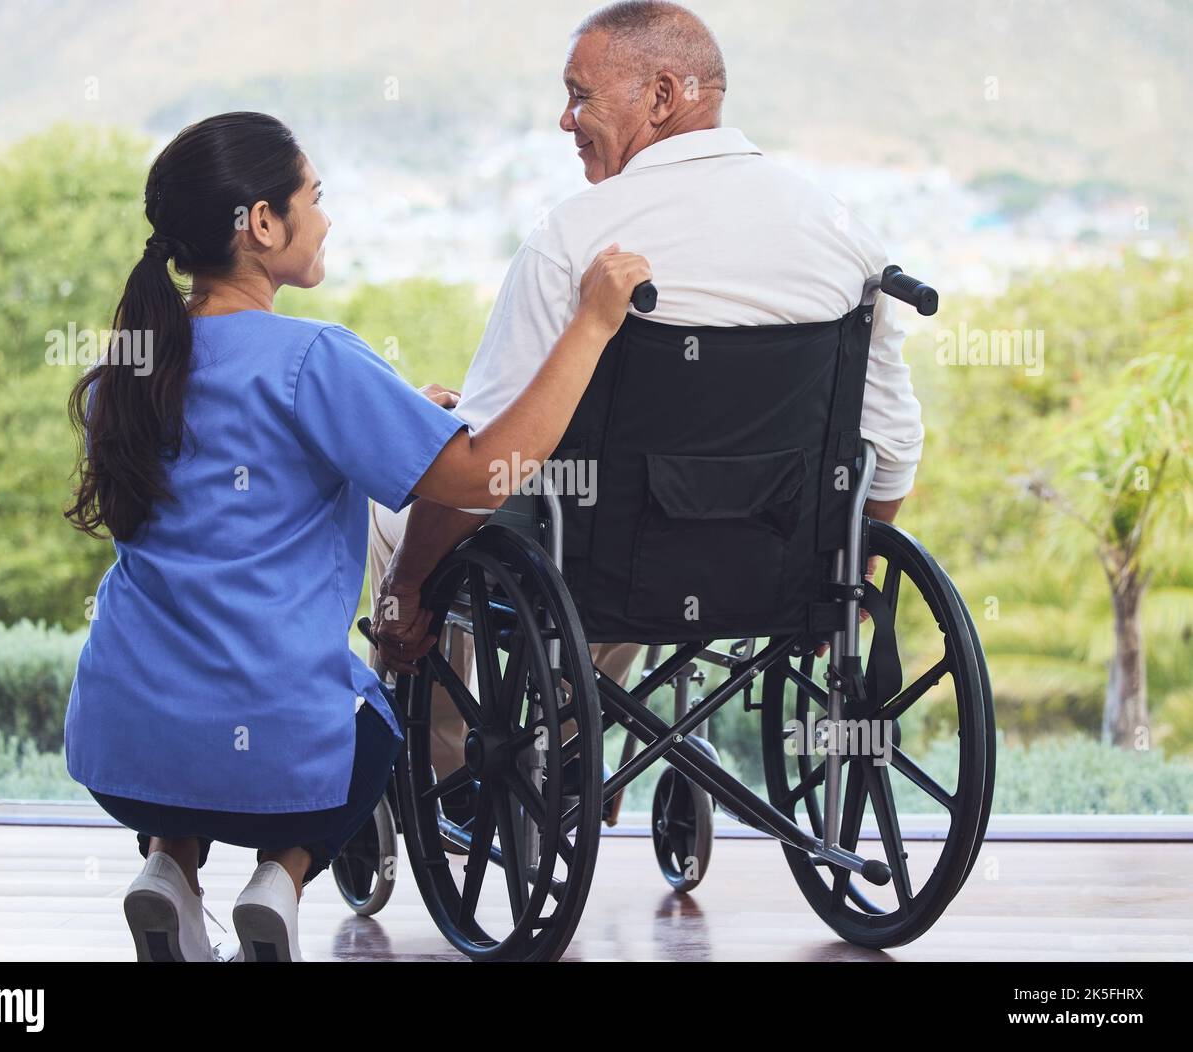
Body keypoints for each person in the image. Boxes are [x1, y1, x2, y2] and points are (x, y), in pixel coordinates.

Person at [63, 111, 651, 962]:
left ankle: (168, 868)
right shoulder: (313, 359)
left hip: (121, 747)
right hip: (281, 769)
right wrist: (592, 321)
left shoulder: (128, 372)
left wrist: (404, 419)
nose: (327, 217)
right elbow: (485, 474)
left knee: (191, 708)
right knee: (379, 706)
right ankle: (281, 879)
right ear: (262, 224)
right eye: (315, 195)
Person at [371, 0, 925, 824]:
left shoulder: (577, 237)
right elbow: (894, 443)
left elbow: (483, 467)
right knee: (610, 518)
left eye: (580, 96)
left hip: (605, 559)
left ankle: (458, 783)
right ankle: (569, 740)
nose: (565, 120)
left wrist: (409, 588)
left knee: (402, 507)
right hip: (775, 562)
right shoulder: (843, 236)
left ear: (663, 96)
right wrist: (851, 572)